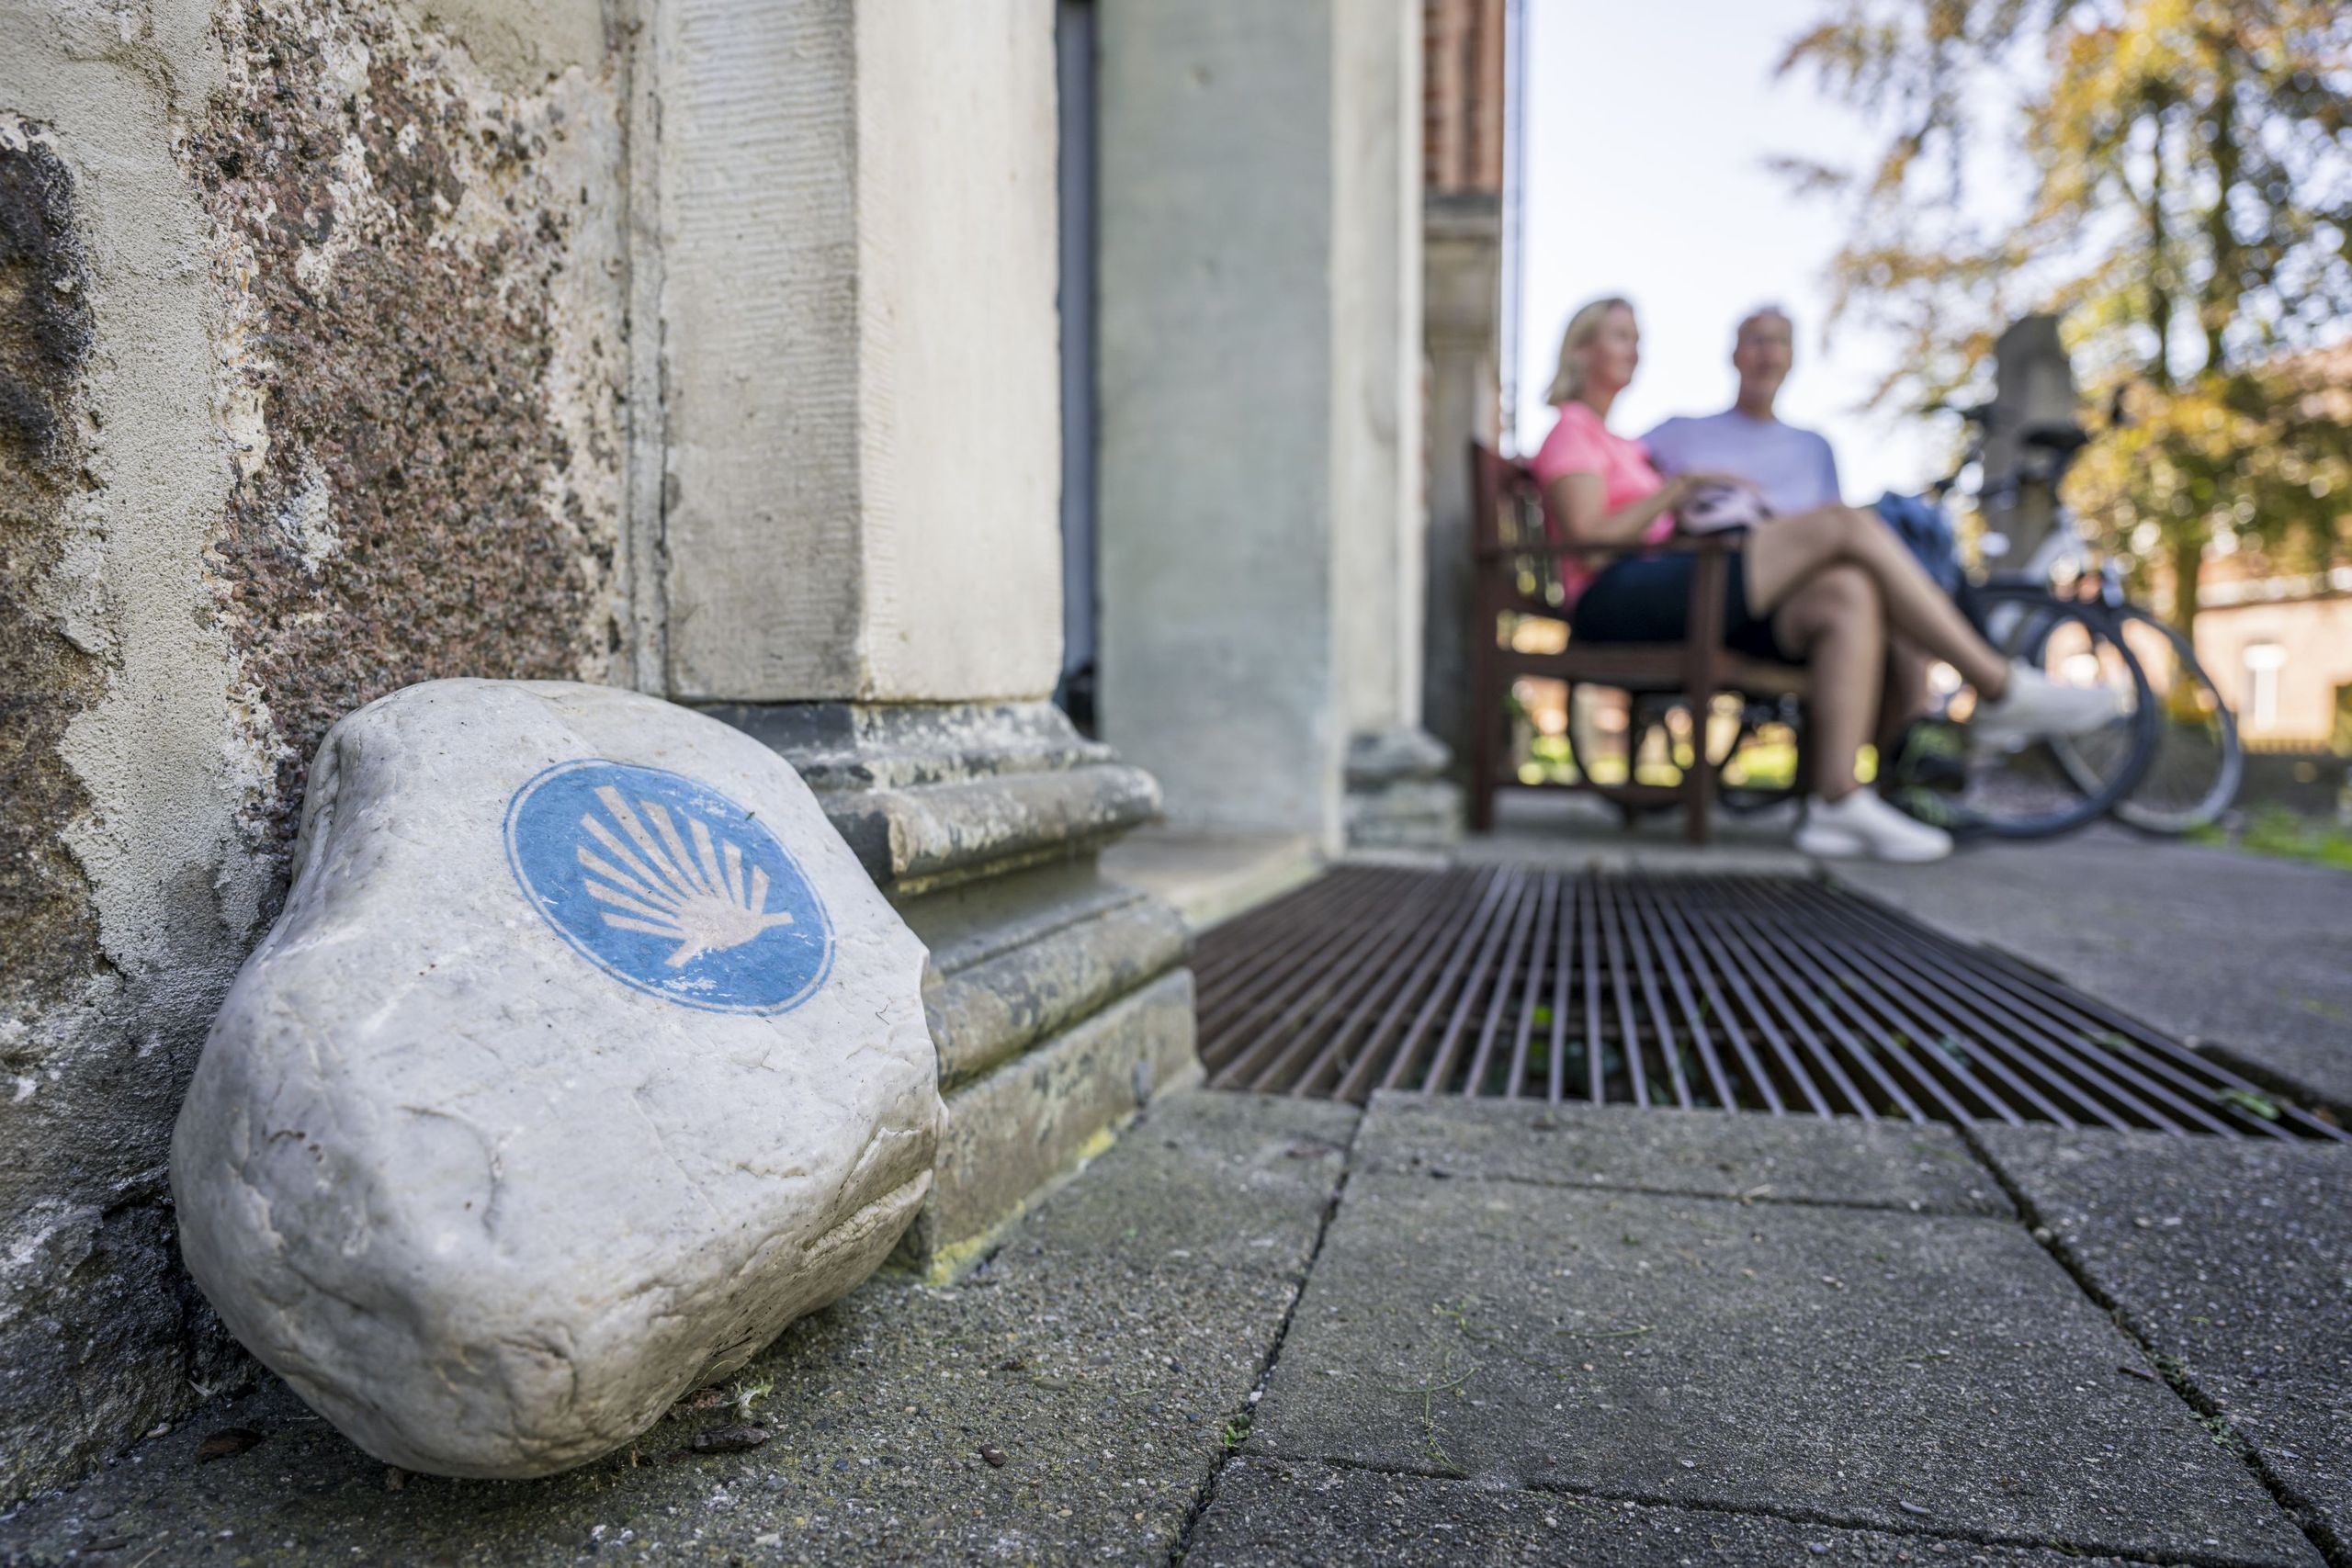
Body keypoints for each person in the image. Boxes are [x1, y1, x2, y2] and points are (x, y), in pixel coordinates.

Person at [1528, 296, 2114, 863]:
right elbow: (1594, 542)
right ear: (1579, 350)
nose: (1637, 350)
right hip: (1619, 598)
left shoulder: (1624, 443)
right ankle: (1995, 685)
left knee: (1847, 592)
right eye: (1621, 336)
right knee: (1844, 526)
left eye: (1637, 338)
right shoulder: (1572, 430)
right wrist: (1681, 489)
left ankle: (1837, 799)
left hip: (1686, 587)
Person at [1644, 306, 1933, 759]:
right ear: (1735, 354)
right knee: (1854, 531)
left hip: (1807, 601)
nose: (1767, 353)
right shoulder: (1680, 434)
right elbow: (1617, 481)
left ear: (1792, 358)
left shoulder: (1814, 448)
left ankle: (1868, 774)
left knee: (1856, 584)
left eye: (1779, 341)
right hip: (1723, 589)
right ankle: (1981, 693)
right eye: (1756, 340)